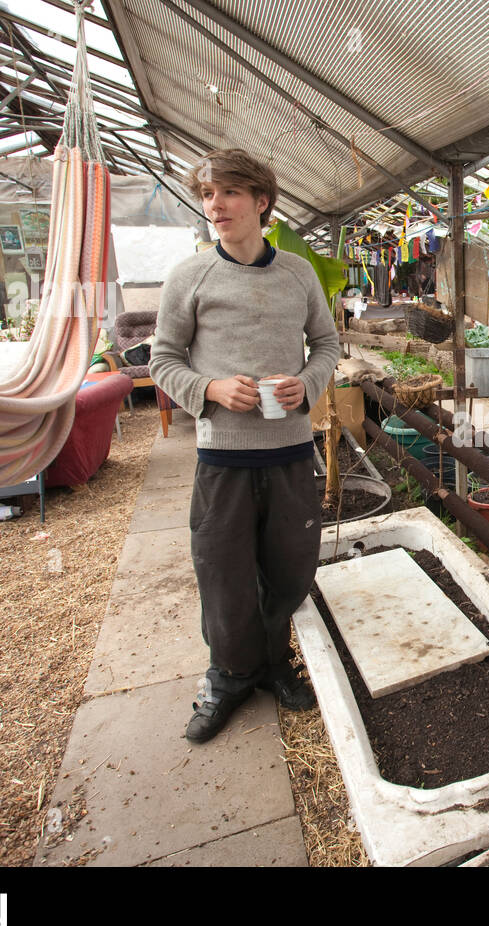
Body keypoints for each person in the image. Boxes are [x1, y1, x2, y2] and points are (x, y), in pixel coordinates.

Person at [149, 148, 340, 743]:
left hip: (287, 452)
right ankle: (228, 676)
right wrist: (208, 387)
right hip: (224, 458)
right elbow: (161, 359)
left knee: (288, 568)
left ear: (262, 202)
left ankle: (275, 664)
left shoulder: (298, 275)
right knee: (224, 572)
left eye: (229, 193)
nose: (215, 205)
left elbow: (327, 344)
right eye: (208, 194)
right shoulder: (190, 276)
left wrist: (306, 383)